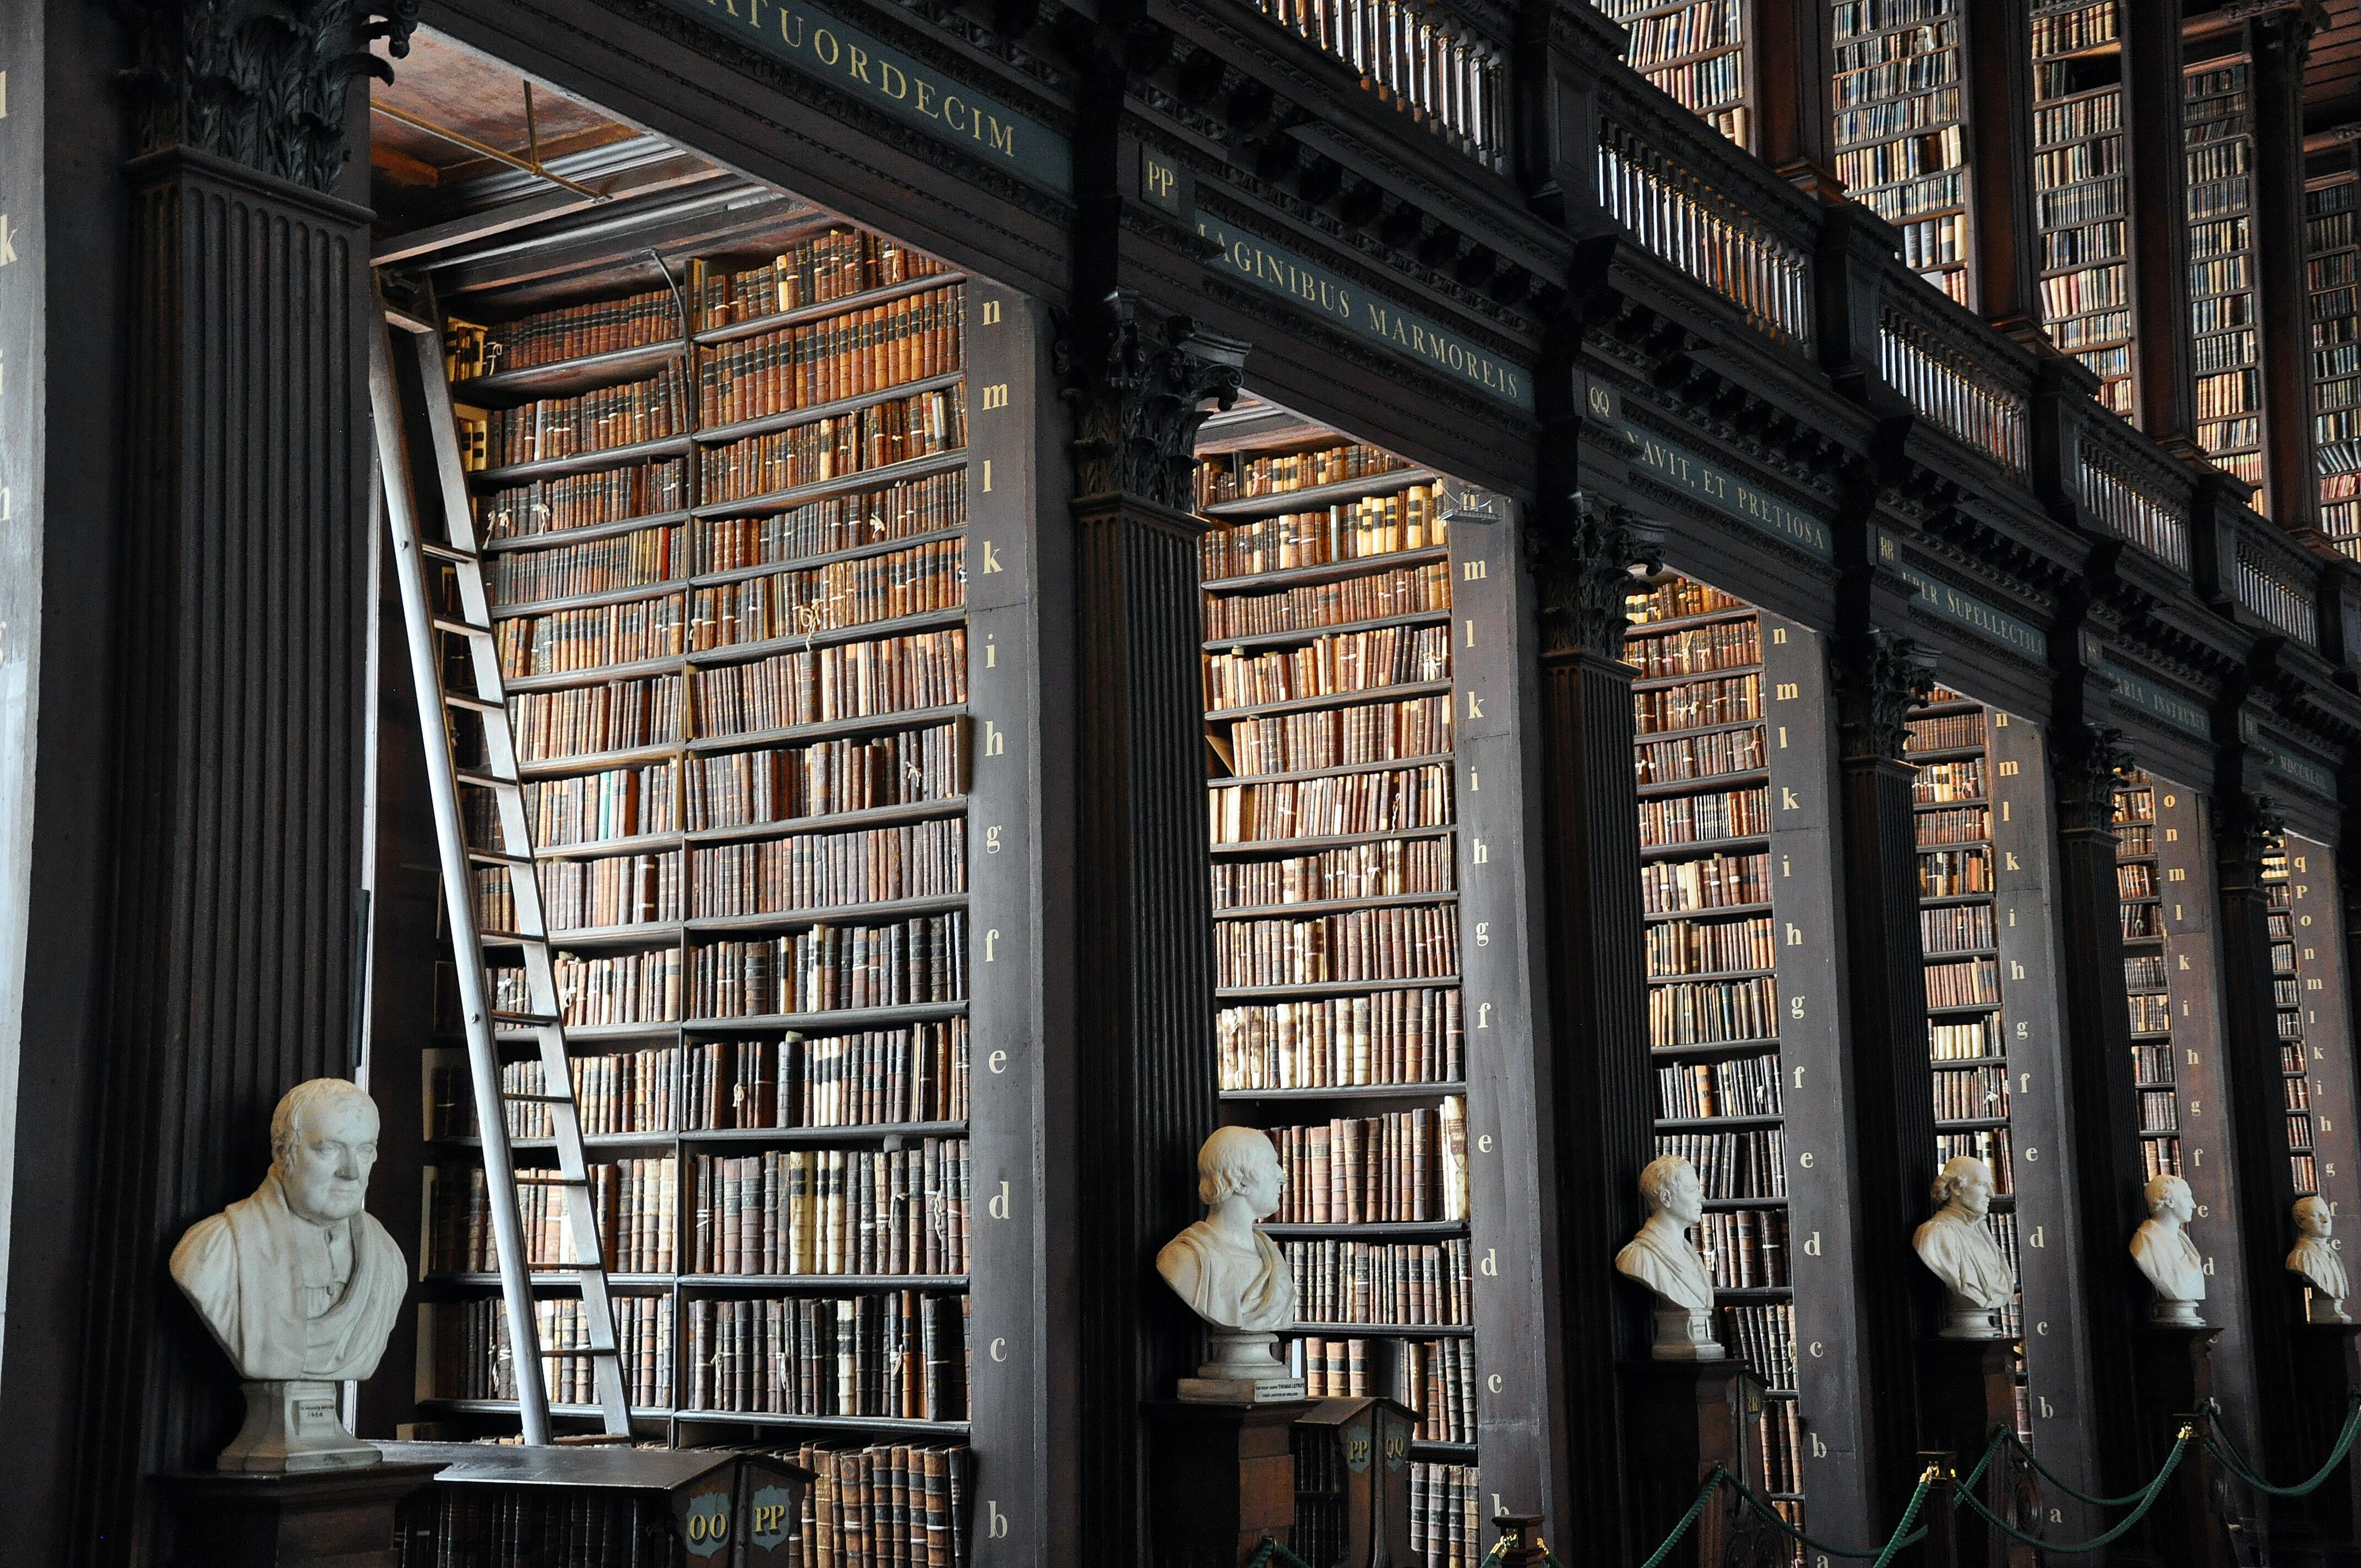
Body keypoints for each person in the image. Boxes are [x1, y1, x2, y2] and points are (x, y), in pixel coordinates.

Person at [170, 1078, 407, 1383]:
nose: (351, 1172)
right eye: (329, 1149)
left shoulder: (387, 1259)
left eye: (365, 1150)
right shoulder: (214, 1252)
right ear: (283, 1154)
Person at [1156, 1125, 1296, 1332]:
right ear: (1238, 1181)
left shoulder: (1273, 1258)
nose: (1282, 1177)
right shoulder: (1184, 1259)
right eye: (1271, 1165)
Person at [1617, 1154, 1723, 1360]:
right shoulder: (1637, 1258)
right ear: (1666, 1198)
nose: (1702, 1198)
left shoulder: (1690, 1255)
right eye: (1692, 1190)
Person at [1913, 1156, 2015, 1338]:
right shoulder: (1935, 1235)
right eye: (1982, 1185)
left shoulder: (1982, 1233)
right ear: (1955, 1188)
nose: (1991, 1193)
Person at [2130, 1173, 2206, 1327]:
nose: (2193, 1205)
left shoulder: (2182, 1240)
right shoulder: (2146, 1242)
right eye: (2187, 1197)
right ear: (2170, 1201)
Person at [2287, 1194, 2351, 1324]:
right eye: (2317, 1215)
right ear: (2301, 1223)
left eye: (2327, 1214)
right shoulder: (2301, 1258)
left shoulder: (2331, 1254)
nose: (2326, 1220)